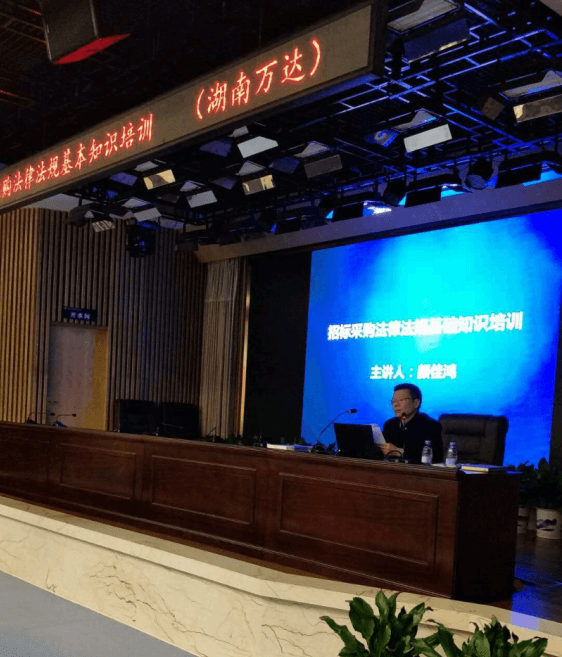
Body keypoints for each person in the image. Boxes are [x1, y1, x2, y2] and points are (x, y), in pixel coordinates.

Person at [381, 383, 443, 464]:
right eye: (393, 401)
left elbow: (435, 459)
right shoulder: (390, 425)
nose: (396, 405)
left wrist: (399, 452)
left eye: (401, 400)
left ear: (416, 403)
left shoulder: (431, 426)